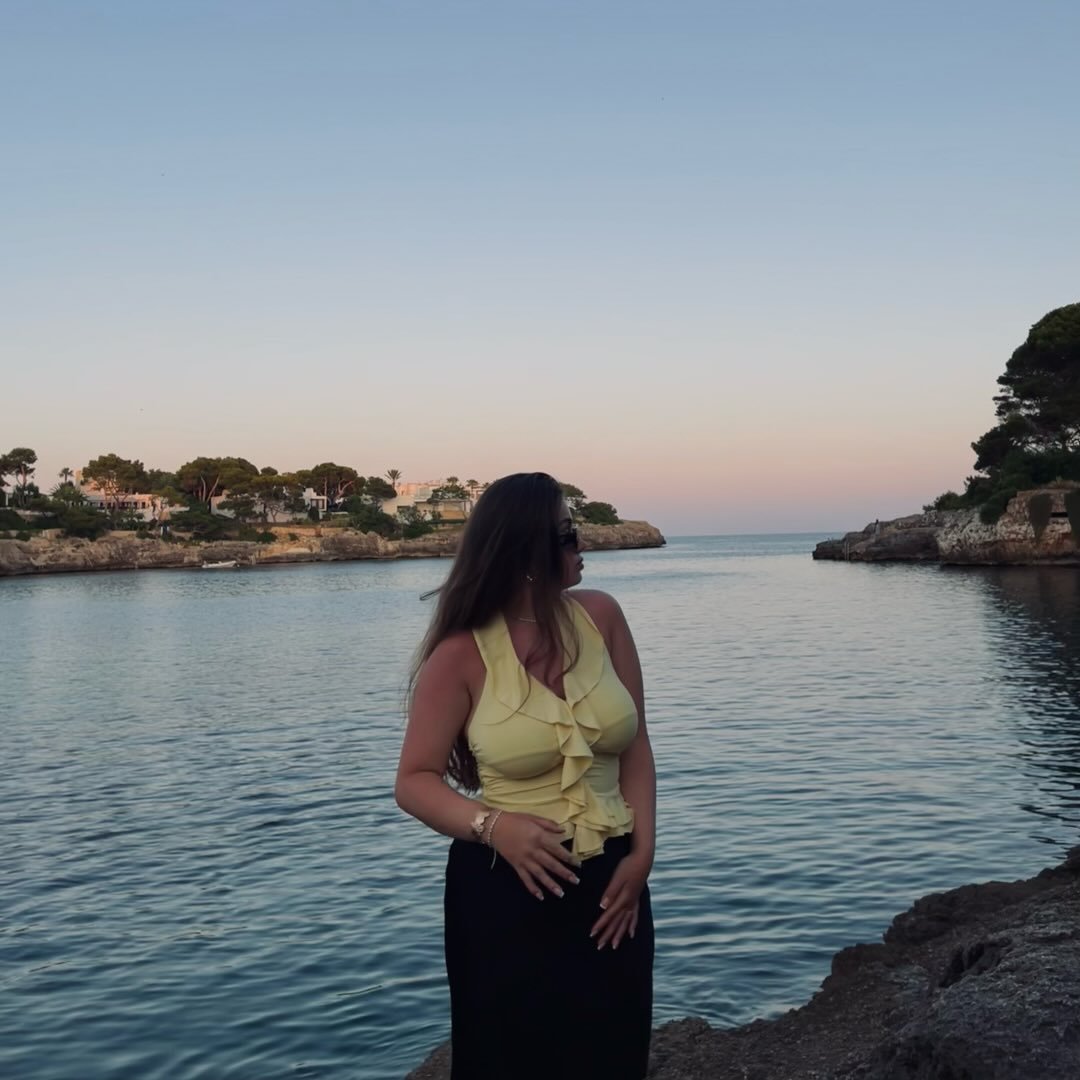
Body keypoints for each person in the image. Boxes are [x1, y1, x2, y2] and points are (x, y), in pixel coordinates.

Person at [395, 471, 656, 1080]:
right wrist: (495, 826)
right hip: (506, 887)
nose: (581, 545)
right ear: (527, 554)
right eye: (567, 534)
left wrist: (642, 856)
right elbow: (414, 780)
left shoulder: (602, 617)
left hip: (613, 883)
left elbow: (636, 744)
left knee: (614, 1056)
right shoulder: (460, 655)